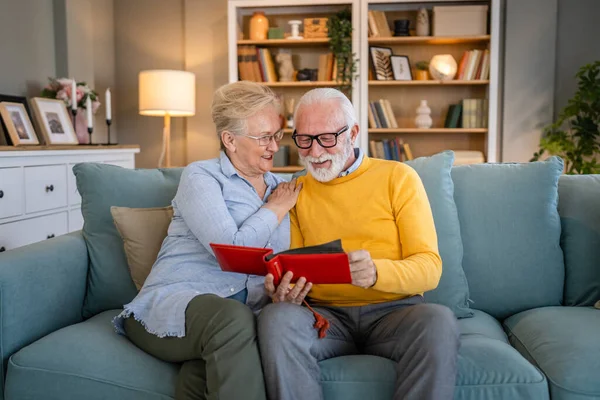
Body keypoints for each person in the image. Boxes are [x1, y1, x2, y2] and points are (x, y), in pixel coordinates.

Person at [257, 88, 460, 400]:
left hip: (396, 312)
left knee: (438, 321)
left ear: (352, 133)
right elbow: (293, 265)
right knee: (276, 318)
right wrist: (285, 291)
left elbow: (430, 268)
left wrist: (377, 273)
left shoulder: (399, 178)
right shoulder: (295, 191)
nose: (314, 152)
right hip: (325, 317)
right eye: (304, 140)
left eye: (326, 138)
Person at [113, 81, 301, 400]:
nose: (274, 146)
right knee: (231, 319)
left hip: (239, 319)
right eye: (264, 137)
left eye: (277, 134)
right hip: (175, 303)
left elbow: (280, 261)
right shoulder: (201, 177)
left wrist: (279, 287)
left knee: (207, 369)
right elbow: (231, 251)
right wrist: (274, 208)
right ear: (230, 139)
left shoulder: (284, 186)